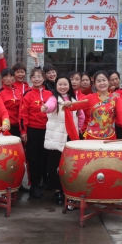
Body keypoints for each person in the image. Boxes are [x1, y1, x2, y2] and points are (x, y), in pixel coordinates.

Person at [42, 76, 83, 205]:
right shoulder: (54, 98)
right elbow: (50, 106)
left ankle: (68, 190)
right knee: (55, 165)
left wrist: (79, 128)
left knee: (69, 166)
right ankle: (58, 191)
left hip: (70, 137)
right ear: (56, 86)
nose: (63, 87)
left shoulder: (74, 100)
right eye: (60, 84)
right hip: (56, 138)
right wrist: (45, 108)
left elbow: (81, 115)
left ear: (69, 86)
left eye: (65, 84)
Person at [62, 71, 122, 141]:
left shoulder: (115, 98)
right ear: (94, 84)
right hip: (91, 137)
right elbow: (73, 107)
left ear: (108, 82)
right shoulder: (90, 98)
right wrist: (68, 104)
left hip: (109, 137)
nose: (102, 83)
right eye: (98, 81)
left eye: (104, 80)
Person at [20, 67, 50, 198]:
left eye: (39, 76)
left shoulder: (50, 94)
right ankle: (34, 185)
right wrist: (23, 131)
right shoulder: (27, 94)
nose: (36, 79)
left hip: (48, 131)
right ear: (30, 79)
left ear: (43, 78)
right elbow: (23, 114)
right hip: (32, 130)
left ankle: (45, 182)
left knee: (45, 158)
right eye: (34, 77)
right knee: (33, 159)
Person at [0, 68, 22, 137]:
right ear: (2, 78)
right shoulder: (0, 92)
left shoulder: (17, 91)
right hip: (6, 125)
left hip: (18, 124)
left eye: (11, 76)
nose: (8, 79)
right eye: (6, 76)